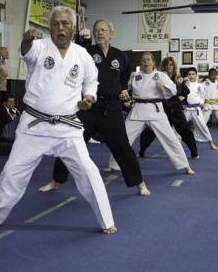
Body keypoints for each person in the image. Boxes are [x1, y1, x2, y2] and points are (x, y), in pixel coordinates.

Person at [0, 6, 117, 234]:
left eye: (65, 24)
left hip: (67, 127)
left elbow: (91, 82)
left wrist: (88, 98)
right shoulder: (39, 47)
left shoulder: (82, 56)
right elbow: (26, 52)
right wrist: (25, 39)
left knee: (89, 173)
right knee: (12, 172)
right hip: (35, 125)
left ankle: (106, 221)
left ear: (73, 28)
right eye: (55, 24)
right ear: (50, 27)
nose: (60, 28)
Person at [38, 18, 149, 196]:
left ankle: (139, 182)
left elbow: (124, 77)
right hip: (88, 108)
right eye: (97, 30)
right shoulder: (86, 52)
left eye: (104, 30)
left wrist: (122, 91)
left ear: (111, 33)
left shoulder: (120, 56)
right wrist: (82, 39)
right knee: (69, 142)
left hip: (112, 108)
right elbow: (75, 53)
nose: (100, 33)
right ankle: (55, 180)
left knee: (122, 146)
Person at [105, 52, 195, 175]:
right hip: (138, 110)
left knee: (171, 139)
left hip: (155, 111)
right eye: (143, 60)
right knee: (123, 137)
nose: (145, 62)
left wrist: (162, 87)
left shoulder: (161, 75)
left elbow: (173, 90)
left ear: (153, 62)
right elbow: (124, 88)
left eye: (148, 60)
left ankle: (185, 165)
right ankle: (113, 164)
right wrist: (125, 83)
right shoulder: (136, 76)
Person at [137, 56, 199, 159]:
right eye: (166, 64)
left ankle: (194, 152)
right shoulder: (157, 77)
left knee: (186, 131)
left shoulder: (178, 79)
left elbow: (186, 92)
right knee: (150, 131)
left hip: (176, 109)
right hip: (162, 108)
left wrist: (181, 98)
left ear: (174, 66)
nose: (168, 67)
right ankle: (141, 151)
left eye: (171, 64)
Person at [183, 67, 218, 150]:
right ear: (187, 76)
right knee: (180, 126)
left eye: (193, 74)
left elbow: (202, 96)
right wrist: (183, 82)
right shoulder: (184, 84)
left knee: (203, 126)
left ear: (196, 75)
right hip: (186, 109)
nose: (191, 76)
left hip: (196, 109)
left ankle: (211, 143)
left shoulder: (200, 85)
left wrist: (202, 102)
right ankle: (174, 143)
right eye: (189, 74)